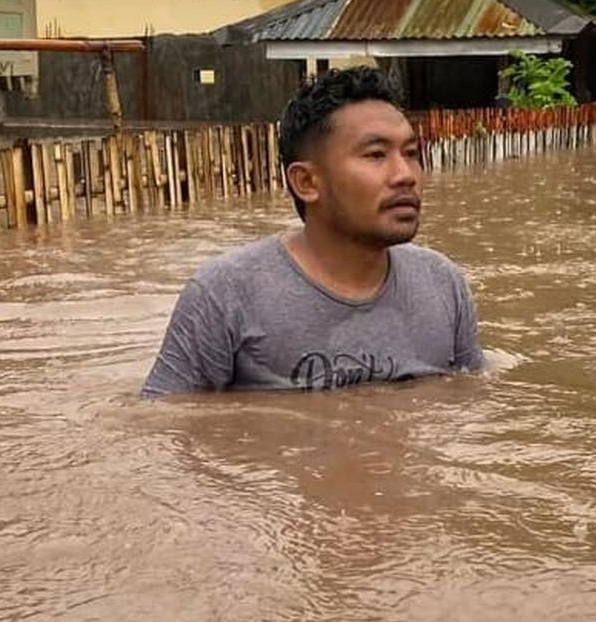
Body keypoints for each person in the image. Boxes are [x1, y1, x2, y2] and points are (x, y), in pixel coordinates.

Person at [141, 66, 484, 396]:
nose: (405, 174)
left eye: (411, 153)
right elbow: (170, 424)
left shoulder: (443, 284)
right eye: (376, 154)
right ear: (306, 182)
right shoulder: (225, 294)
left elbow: (470, 403)